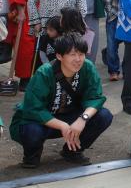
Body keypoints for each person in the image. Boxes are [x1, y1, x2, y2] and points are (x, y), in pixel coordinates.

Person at [9, 33, 113, 168]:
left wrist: (83, 119)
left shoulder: (87, 67)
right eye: (72, 54)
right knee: (31, 130)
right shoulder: (44, 73)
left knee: (104, 115)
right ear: (59, 56)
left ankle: (72, 151)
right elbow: (34, 109)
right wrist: (62, 126)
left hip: (72, 117)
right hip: (44, 121)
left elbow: (96, 97)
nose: (78, 59)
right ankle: (32, 154)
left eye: (81, 54)